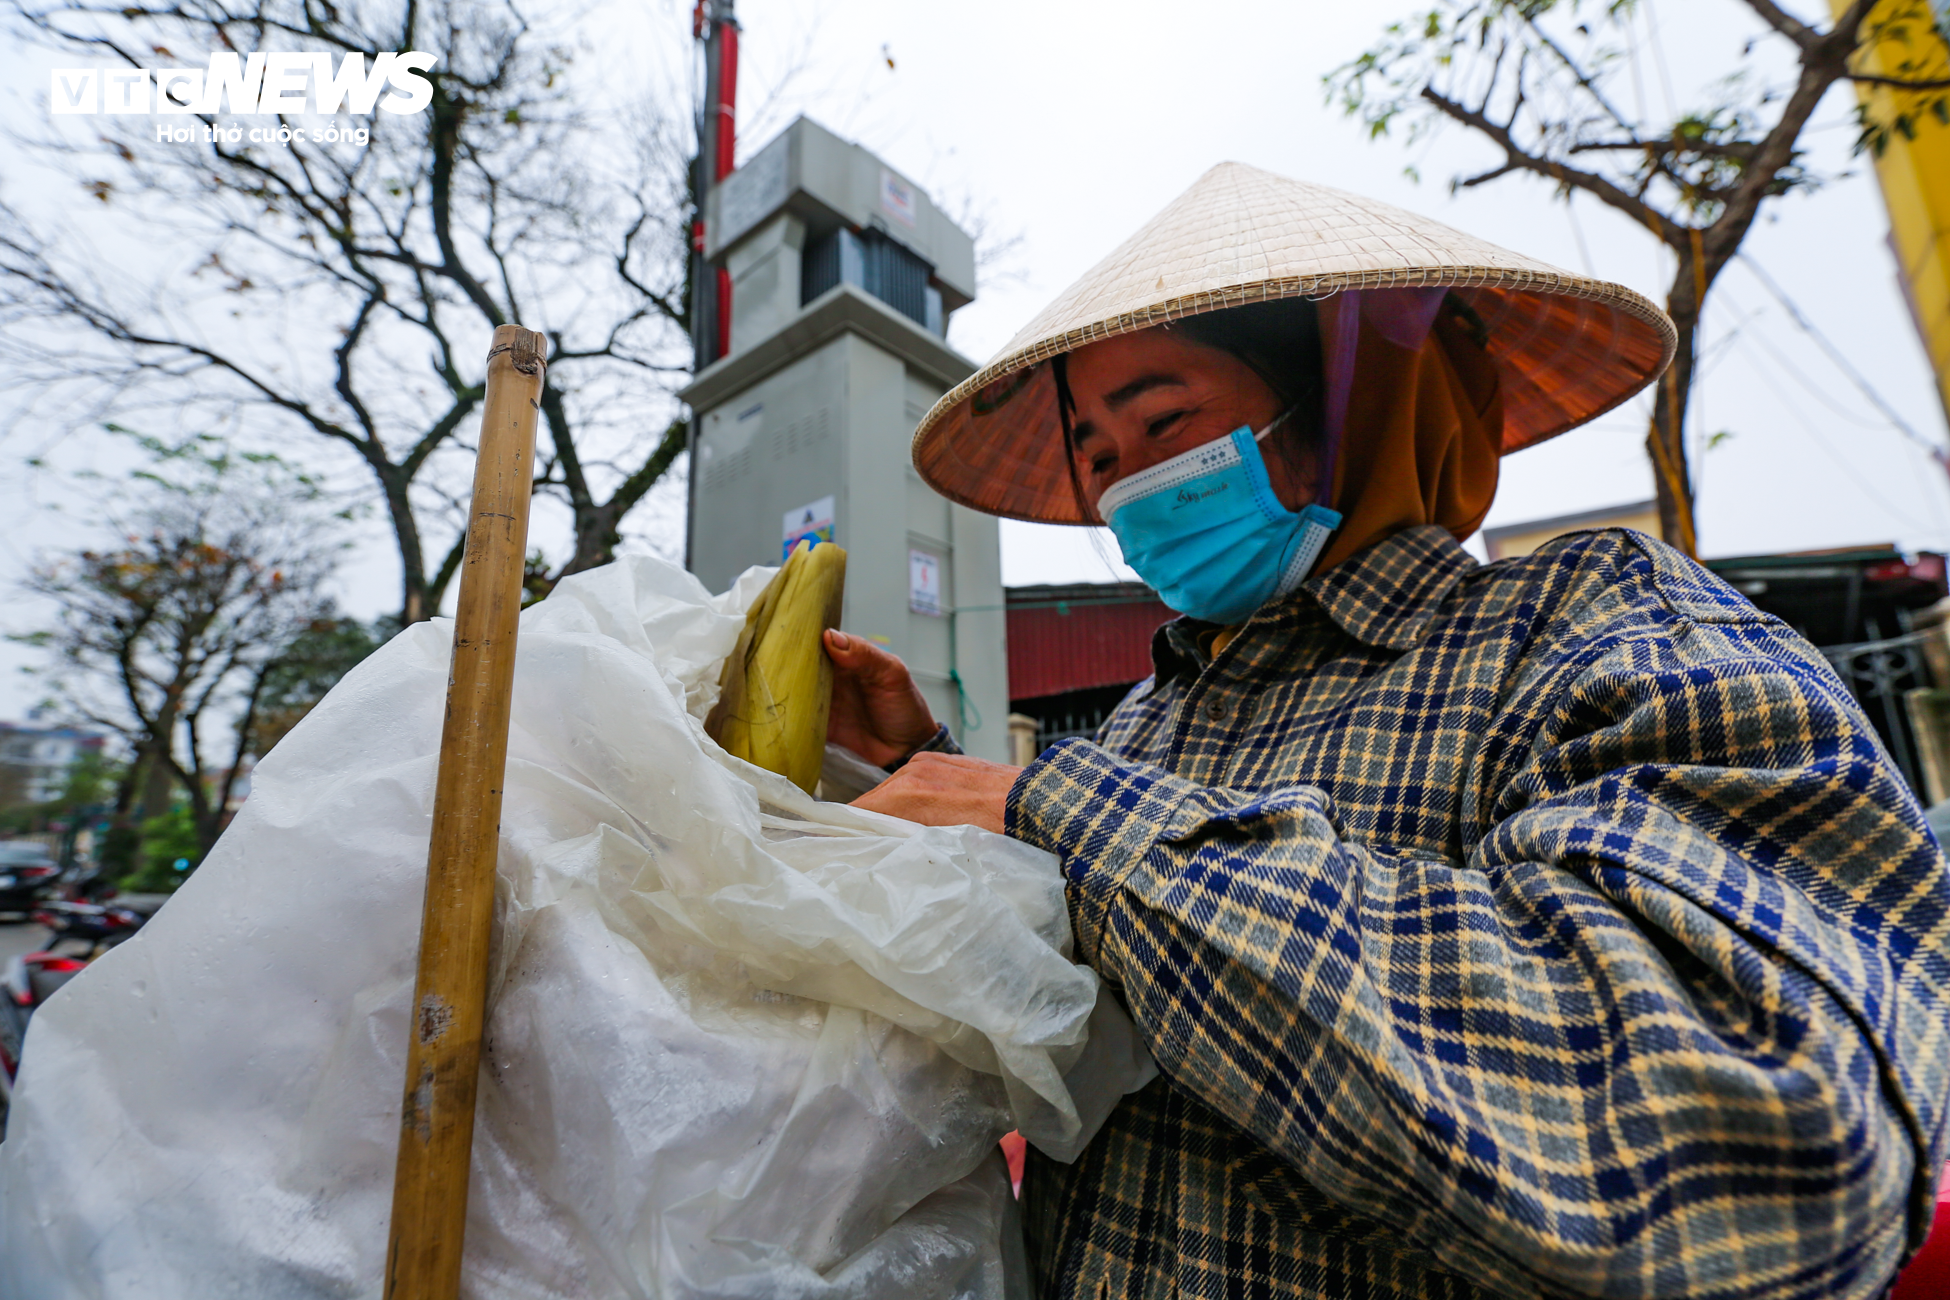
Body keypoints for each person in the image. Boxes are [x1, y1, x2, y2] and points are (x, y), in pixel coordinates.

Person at [821, 162, 1950, 1299]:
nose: (1133, 489)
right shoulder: (1141, 723)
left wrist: (1053, 809)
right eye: (1103, 454)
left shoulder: (1598, 628)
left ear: (1359, 394)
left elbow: (1763, 1166)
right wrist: (927, 777)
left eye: (1167, 421)